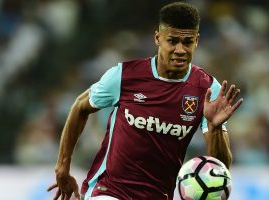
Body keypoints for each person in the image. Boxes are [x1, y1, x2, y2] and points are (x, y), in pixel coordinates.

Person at [47, 2, 243, 200]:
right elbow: (80, 106)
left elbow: (219, 168)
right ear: (158, 38)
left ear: (197, 41)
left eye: (187, 42)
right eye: (172, 41)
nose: (180, 49)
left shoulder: (208, 89)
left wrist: (216, 128)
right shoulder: (124, 76)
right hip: (109, 190)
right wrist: (63, 165)